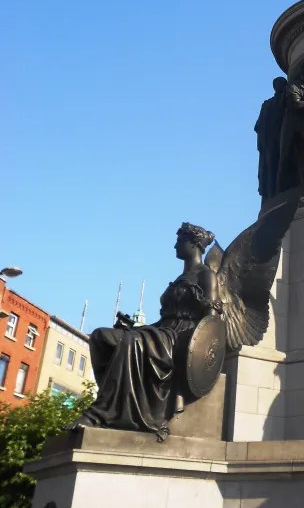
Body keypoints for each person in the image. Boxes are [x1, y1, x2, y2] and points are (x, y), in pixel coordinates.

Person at [69, 223, 221, 440]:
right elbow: (164, 320)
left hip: (180, 338)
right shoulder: (179, 279)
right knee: (101, 337)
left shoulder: (207, 276)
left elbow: (211, 323)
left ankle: (101, 415)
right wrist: (137, 327)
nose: (175, 245)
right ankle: (114, 403)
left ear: (194, 243)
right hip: (161, 332)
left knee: (131, 342)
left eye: (180, 241)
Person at [277, 58, 304, 190]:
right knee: (285, 155)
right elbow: (296, 105)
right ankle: (279, 188)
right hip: (291, 122)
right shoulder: (293, 85)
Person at [254, 77, 286, 199]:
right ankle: (272, 194)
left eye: (283, 84)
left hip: (284, 139)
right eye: (279, 85)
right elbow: (258, 126)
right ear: (275, 87)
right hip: (270, 141)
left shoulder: (287, 100)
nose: (282, 87)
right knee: (271, 168)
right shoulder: (267, 104)